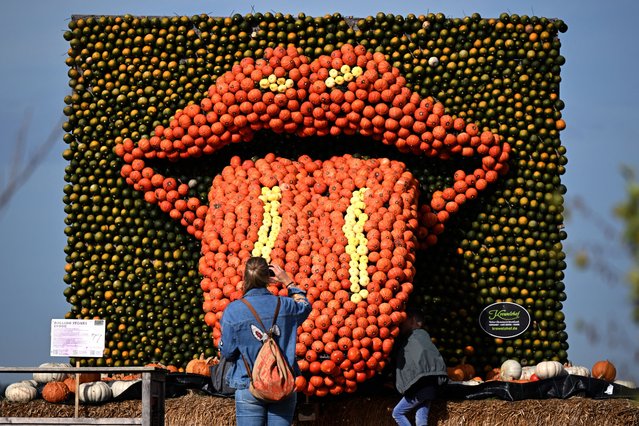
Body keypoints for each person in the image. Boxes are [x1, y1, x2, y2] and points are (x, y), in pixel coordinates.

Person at [220, 256, 311, 425]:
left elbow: (227, 353)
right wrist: (289, 283)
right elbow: (305, 306)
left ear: (245, 277)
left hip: (249, 384)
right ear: (269, 278)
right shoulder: (286, 305)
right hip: (282, 383)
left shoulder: (233, 311)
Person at [392, 308, 448, 426]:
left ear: (412, 320)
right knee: (421, 420)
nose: (401, 323)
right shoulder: (424, 337)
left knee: (397, 413)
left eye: (404, 320)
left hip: (420, 387)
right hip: (430, 386)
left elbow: (416, 364)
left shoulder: (414, 338)